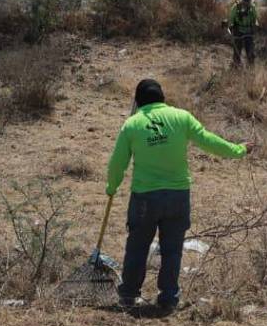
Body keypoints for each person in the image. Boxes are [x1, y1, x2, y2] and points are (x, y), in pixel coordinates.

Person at [106, 79, 249, 312]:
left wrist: (112, 187)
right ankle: (168, 298)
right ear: (162, 97)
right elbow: (209, 141)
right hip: (178, 196)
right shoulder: (182, 118)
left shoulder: (132, 125)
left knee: (137, 247)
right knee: (172, 249)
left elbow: (117, 164)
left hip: (144, 198)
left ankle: (129, 295)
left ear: (138, 101)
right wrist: (238, 149)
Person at [227, 0, 259, 66]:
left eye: (248, 2)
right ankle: (236, 65)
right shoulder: (236, 7)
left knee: (250, 51)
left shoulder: (252, 7)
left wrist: (256, 25)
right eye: (245, 1)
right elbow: (231, 19)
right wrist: (230, 27)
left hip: (248, 31)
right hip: (238, 30)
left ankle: (251, 68)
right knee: (237, 50)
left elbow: (255, 19)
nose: (246, 3)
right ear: (242, 0)